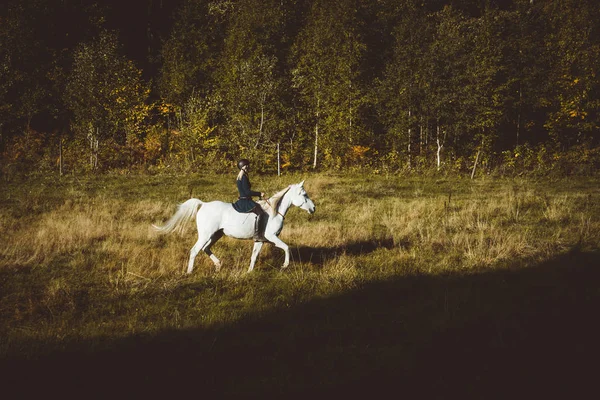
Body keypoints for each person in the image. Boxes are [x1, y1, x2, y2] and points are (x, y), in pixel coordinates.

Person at [232, 159, 267, 238]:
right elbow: (247, 192)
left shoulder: (240, 176)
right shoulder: (243, 177)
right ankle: (258, 234)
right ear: (245, 166)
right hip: (245, 201)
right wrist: (259, 193)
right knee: (260, 213)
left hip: (243, 199)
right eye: (248, 165)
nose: (249, 167)